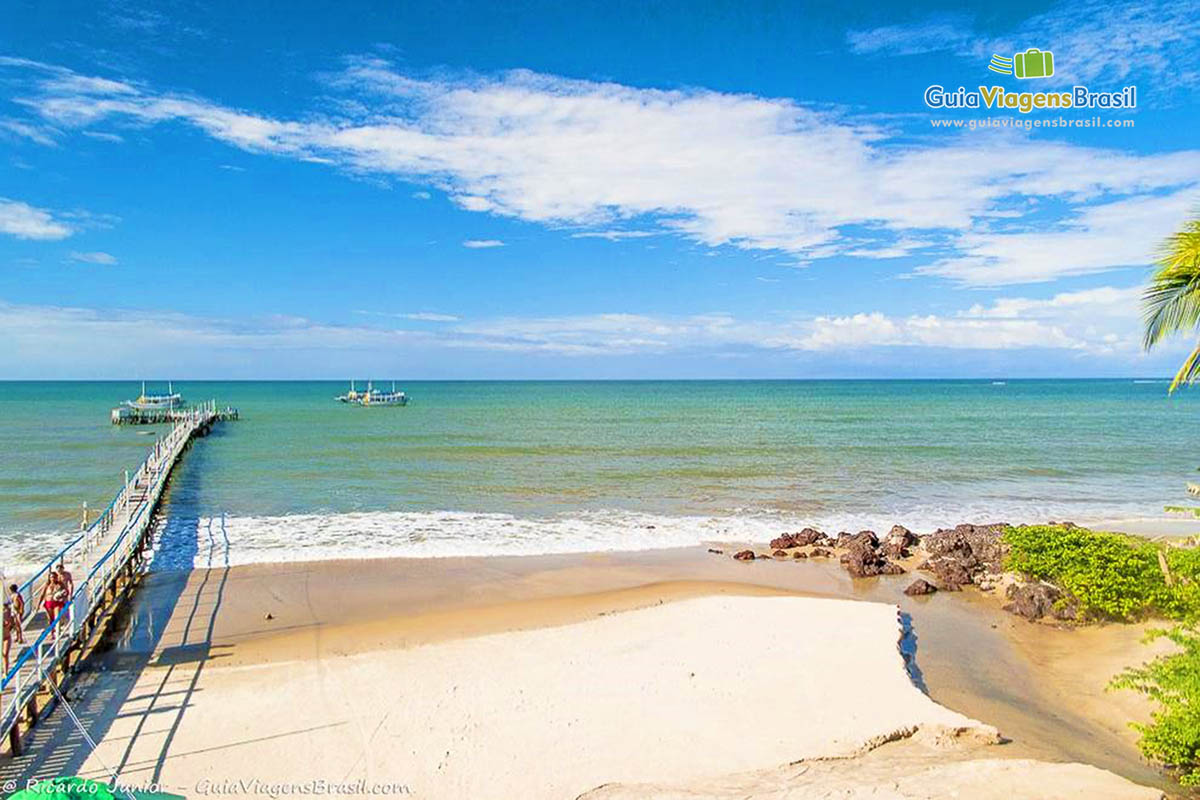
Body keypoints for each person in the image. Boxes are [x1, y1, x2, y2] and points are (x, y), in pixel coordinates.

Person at [37, 572, 67, 639]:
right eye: (51, 577)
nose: (52, 579)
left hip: (57, 603)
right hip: (48, 603)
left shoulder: (60, 584)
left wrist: (63, 596)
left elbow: (66, 592)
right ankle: (52, 633)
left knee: (57, 617)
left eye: (54, 577)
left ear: (56, 577)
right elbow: (42, 594)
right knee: (50, 619)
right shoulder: (47, 585)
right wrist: (38, 604)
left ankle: (58, 632)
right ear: (49, 578)